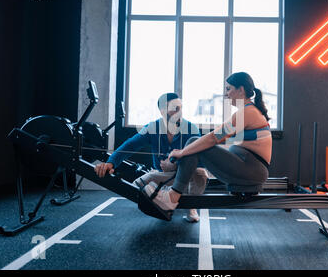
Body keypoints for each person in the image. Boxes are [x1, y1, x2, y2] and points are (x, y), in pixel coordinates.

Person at [143, 72, 272, 211]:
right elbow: (220, 142)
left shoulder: (248, 112)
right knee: (195, 147)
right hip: (247, 167)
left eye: (228, 89)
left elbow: (214, 138)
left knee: (194, 142)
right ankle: (172, 193)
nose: (226, 94)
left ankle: (172, 196)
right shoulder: (247, 112)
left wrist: (182, 152)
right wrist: (185, 154)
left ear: (241, 90)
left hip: (252, 170)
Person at [94, 93, 207, 222]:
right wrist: (111, 163)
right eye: (175, 108)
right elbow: (130, 145)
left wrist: (176, 165)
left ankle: (191, 208)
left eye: (180, 108)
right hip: (161, 176)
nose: (179, 112)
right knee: (137, 185)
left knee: (201, 174)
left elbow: (200, 159)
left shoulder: (191, 128)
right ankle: (164, 192)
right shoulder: (151, 127)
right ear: (163, 111)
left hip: (185, 177)